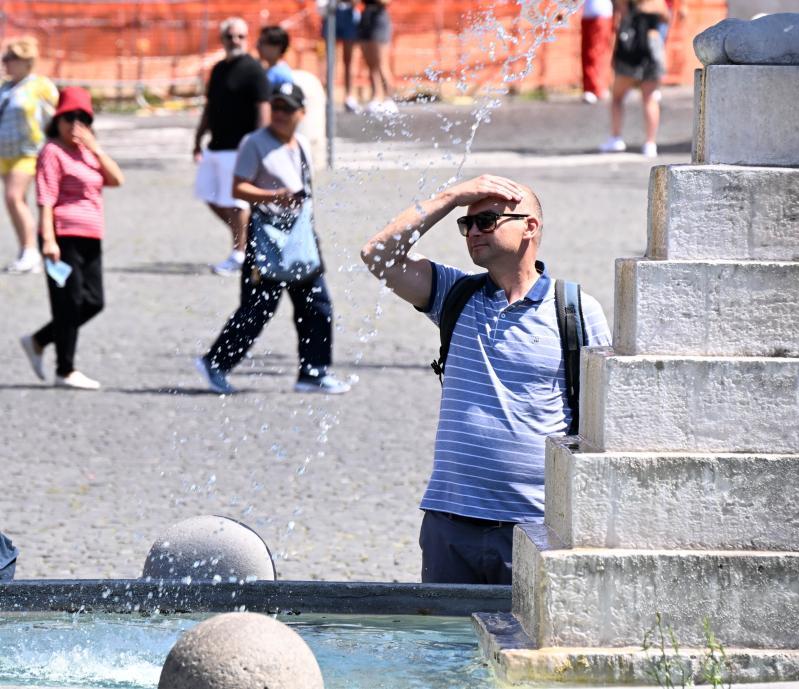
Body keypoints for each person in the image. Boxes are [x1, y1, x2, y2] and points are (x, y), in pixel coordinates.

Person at [361, 174, 611, 584]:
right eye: (467, 223)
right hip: (449, 521)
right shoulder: (454, 294)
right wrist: (451, 196)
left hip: (535, 526)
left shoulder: (576, 310)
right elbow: (377, 253)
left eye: (487, 220)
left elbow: (606, 419)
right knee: (444, 629)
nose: (473, 231)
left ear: (530, 226)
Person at [196, 82, 348, 396]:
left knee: (317, 306)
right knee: (257, 309)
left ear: (301, 113)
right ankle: (215, 363)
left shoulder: (301, 143)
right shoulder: (255, 143)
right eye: (276, 107)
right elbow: (237, 188)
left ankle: (313, 372)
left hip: (299, 239)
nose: (279, 114)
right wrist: (274, 196)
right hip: (266, 239)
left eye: (287, 109)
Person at [21, 87, 124, 390]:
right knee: (68, 301)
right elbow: (46, 198)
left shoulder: (88, 152)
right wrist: (48, 240)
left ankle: (39, 340)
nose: (75, 125)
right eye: (69, 118)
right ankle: (65, 369)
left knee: (94, 301)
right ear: (58, 120)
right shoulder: (52, 151)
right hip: (63, 235)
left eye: (82, 119)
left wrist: (96, 148)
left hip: (91, 235)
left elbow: (117, 179)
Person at [193, 17, 271, 276]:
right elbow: (209, 107)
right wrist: (197, 139)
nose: (235, 41)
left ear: (247, 39)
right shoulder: (218, 69)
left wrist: (259, 147)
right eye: (230, 36)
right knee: (209, 195)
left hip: (240, 148)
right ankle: (247, 238)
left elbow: (263, 109)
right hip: (216, 146)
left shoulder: (254, 70)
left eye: (240, 36)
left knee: (238, 202)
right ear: (222, 39)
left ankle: (239, 253)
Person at [0, 36, 58, 274]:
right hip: (5, 151)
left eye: (11, 58)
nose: (5, 62)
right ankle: (26, 250)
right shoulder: (5, 88)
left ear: (26, 62)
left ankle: (31, 250)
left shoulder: (39, 85)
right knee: (15, 201)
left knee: (13, 197)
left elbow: (59, 113)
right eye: (5, 58)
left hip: (29, 151)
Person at [600, 0, 670, 157]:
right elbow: (666, 18)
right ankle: (650, 143)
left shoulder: (624, 2)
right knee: (650, 99)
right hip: (652, 48)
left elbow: (619, 16)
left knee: (617, 98)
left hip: (630, 48)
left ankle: (616, 138)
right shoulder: (656, 3)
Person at [320, 0, 362, 113]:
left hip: (348, 16)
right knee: (329, 59)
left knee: (349, 60)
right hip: (331, 13)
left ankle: (349, 96)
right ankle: (327, 96)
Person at [357, 0, 397, 115]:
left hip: (378, 18)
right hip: (366, 18)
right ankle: (377, 96)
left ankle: (389, 98)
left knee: (381, 63)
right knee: (371, 64)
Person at [580, 0, 615, 103]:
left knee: (596, 52)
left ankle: (595, 87)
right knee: (590, 52)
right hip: (590, 14)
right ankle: (596, 86)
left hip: (599, 13)